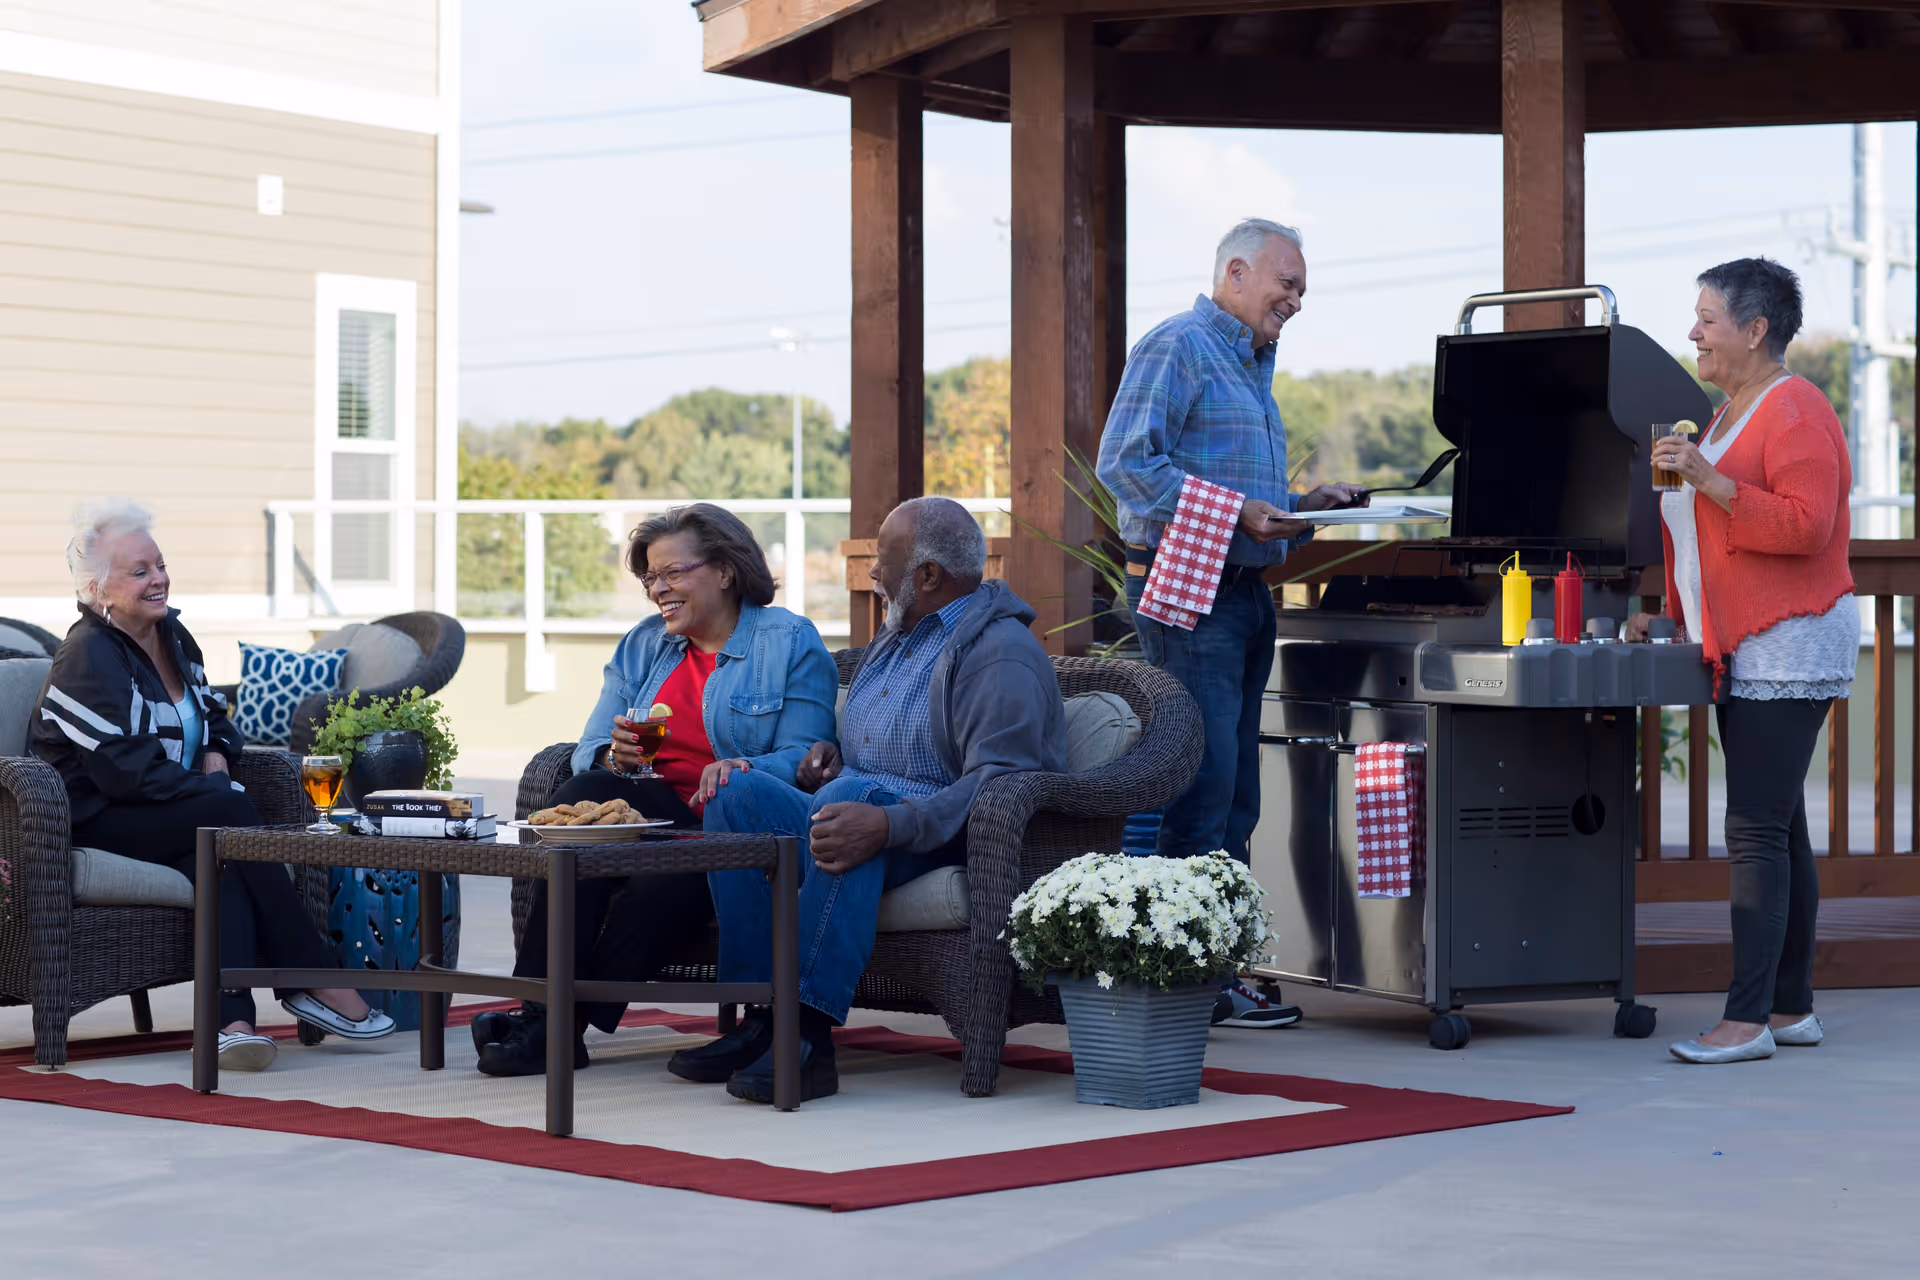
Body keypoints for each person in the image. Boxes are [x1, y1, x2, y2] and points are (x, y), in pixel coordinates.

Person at [684, 496, 1067, 1103]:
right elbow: (872, 743)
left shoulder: (999, 654)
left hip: (939, 837)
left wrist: (888, 822)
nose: (871, 572)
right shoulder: (898, 633)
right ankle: (761, 1019)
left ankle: (806, 1037)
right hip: (857, 807)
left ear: (928, 576)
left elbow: (1004, 781)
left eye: (882, 559)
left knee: (852, 804)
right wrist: (830, 758)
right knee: (734, 790)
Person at [1095, 217, 1368, 1030]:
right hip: (1193, 594)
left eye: (1302, 291)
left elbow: (1223, 492)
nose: (1295, 301)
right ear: (1236, 271)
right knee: (1201, 788)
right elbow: (1124, 464)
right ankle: (1185, 977)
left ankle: (1216, 968)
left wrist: (1295, 510)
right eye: (1286, 285)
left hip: (1244, 592)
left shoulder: (1250, 360)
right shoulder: (1178, 344)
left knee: (1237, 795)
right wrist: (1239, 511)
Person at [473, 503, 838, 1076]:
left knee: (661, 884)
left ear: (725, 570)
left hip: (732, 822)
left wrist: (738, 768)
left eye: (672, 573)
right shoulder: (644, 645)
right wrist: (612, 754)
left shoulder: (789, 640)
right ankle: (546, 1021)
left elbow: (803, 756)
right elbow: (588, 745)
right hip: (649, 809)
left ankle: (550, 1025)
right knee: (588, 791)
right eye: (649, 576)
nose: (657, 589)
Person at [31, 498, 393, 1071]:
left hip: (172, 810)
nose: (160, 579)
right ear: (99, 590)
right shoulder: (87, 654)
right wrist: (212, 794)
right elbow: (125, 774)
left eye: (161, 564)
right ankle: (309, 976)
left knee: (217, 854)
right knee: (228, 817)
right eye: (140, 571)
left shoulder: (172, 634)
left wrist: (216, 757)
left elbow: (218, 719)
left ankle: (230, 1023)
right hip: (95, 815)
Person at [1629, 258, 1855, 1065]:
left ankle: (1745, 1019)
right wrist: (1669, 619)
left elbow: (1805, 527)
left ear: (1756, 330)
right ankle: (1790, 1010)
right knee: (1782, 828)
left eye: (1707, 319)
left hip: (1787, 644)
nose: (1693, 332)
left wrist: (1708, 478)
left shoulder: (1795, 409)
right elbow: (1711, 547)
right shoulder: (1724, 415)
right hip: (1746, 643)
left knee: (1755, 830)